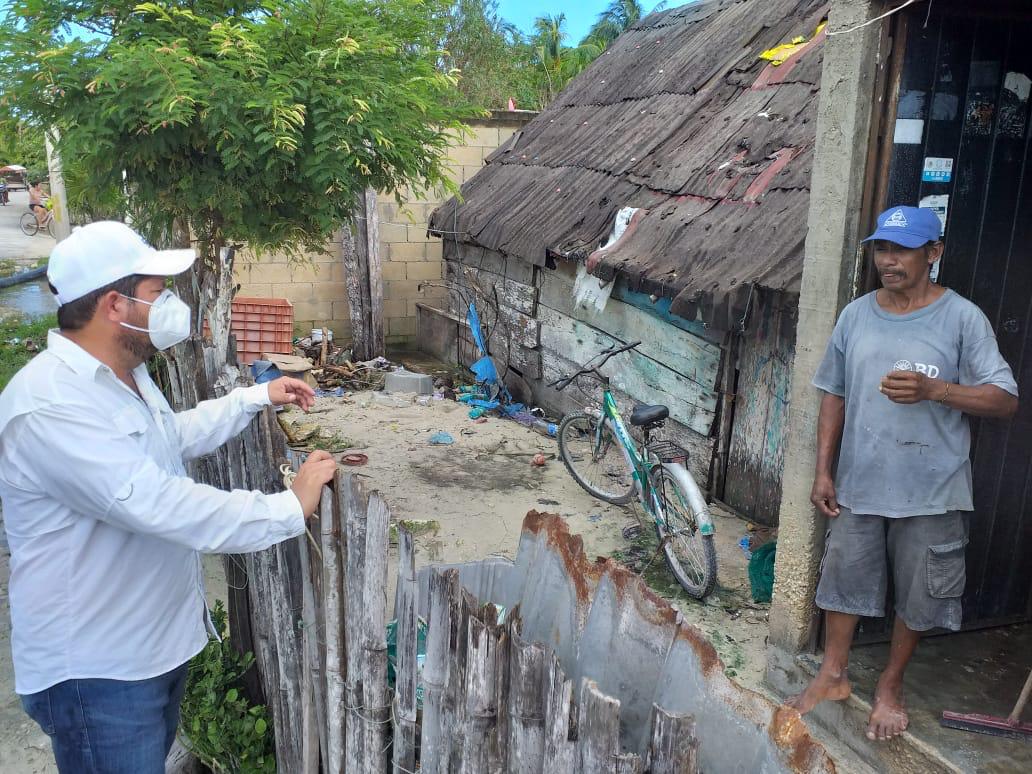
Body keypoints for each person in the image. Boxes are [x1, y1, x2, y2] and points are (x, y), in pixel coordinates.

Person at [0, 221, 339, 773]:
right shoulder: (49, 405)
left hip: (148, 650)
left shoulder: (123, 374)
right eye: (158, 293)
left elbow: (166, 438)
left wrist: (254, 397)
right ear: (115, 305)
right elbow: (158, 502)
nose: (171, 306)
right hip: (98, 672)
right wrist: (286, 507)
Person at [786, 206, 1019, 741]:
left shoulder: (963, 318)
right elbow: (834, 394)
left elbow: (1005, 399)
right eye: (882, 250)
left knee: (921, 595)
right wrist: (823, 471)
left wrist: (937, 390)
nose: (888, 261)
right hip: (861, 482)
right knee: (843, 581)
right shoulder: (856, 315)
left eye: (902, 251)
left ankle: (890, 685)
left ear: (933, 253)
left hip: (934, 488)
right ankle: (833, 674)